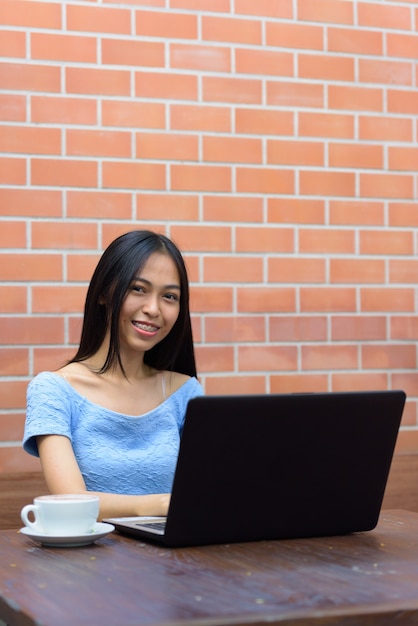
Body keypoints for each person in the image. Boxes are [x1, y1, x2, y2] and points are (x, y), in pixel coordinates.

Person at [23, 230, 203, 520]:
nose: (153, 309)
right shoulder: (54, 389)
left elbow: (206, 491)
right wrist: (155, 506)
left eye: (170, 296)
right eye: (138, 289)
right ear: (106, 292)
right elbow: (69, 501)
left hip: (174, 562)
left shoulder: (186, 392)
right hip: (87, 561)